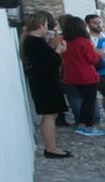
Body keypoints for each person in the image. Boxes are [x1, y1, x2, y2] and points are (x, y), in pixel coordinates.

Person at [21, 12, 71, 158]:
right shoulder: (35, 42)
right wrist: (59, 50)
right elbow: (50, 63)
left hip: (43, 81)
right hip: (45, 82)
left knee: (50, 115)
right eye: (46, 25)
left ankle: (51, 147)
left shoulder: (31, 41)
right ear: (40, 25)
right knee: (50, 115)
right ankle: (51, 148)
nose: (47, 29)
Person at [59, 15, 105, 137]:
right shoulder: (84, 42)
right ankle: (87, 126)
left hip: (70, 76)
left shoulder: (64, 41)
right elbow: (92, 59)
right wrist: (99, 54)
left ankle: (81, 124)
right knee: (89, 102)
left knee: (78, 101)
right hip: (86, 76)